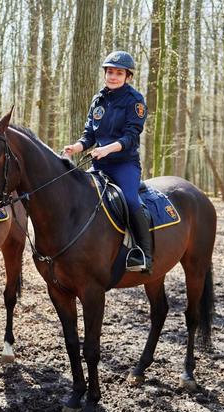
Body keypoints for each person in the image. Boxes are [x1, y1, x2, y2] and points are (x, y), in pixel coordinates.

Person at [64, 50, 151, 273]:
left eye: (118, 73)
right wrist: (76, 147)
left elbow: (131, 137)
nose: (113, 77)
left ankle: (143, 253)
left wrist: (107, 149)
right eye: (110, 72)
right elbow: (89, 135)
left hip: (124, 165)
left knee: (131, 201)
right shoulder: (98, 99)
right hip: (99, 165)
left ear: (128, 76)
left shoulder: (135, 101)